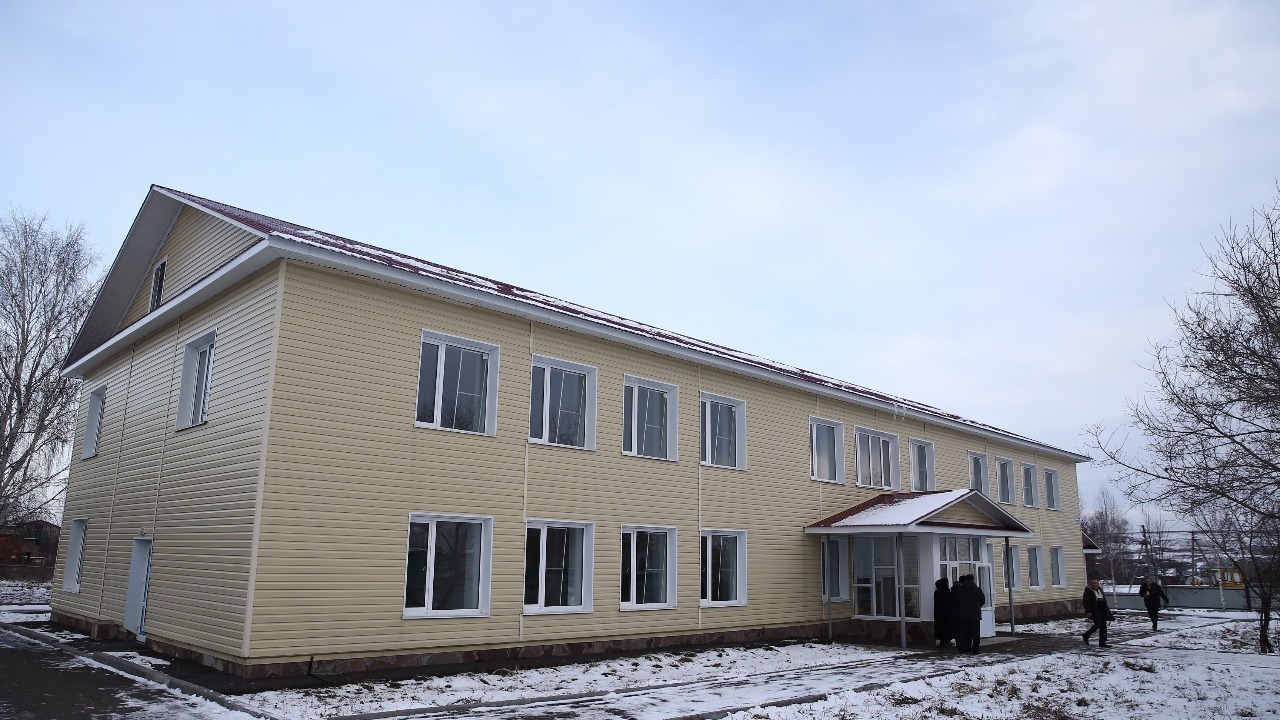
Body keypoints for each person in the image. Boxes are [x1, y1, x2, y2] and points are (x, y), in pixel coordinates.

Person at [952, 574, 985, 654]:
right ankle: (975, 649)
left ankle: (964, 648)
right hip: (975, 615)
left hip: (963, 615)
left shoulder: (959, 590)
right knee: (975, 633)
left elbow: (955, 602)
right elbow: (982, 600)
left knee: (964, 632)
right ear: (972, 579)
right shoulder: (977, 589)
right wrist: (976, 607)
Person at [1082, 578, 1115, 648]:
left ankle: (1102, 642)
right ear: (1091, 584)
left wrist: (1108, 611)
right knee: (1097, 625)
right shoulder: (1088, 591)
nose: (1094, 584)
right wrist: (1088, 611)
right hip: (1095, 610)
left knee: (1103, 626)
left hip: (1102, 610)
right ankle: (1086, 635)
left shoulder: (1100, 590)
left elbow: (1104, 601)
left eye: (1096, 583)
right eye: (1093, 583)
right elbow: (1086, 602)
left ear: (1098, 583)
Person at [933, 578, 953, 648]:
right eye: (947, 582)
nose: (948, 583)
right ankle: (945, 641)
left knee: (941, 628)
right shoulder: (946, 591)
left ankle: (943, 641)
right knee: (946, 628)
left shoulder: (937, 591)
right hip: (945, 613)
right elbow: (948, 602)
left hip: (938, 613)